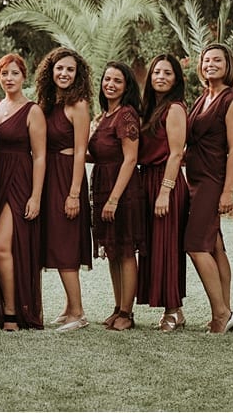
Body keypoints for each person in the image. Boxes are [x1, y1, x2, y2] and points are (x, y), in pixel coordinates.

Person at [0, 53, 46, 331]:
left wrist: (36, 196)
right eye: (4, 73)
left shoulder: (33, 111)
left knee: (0, 246)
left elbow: (40, 157)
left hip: (18, 181)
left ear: (24, 77)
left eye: (14, 73)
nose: (9, 78)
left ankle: (12, 311)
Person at [185, 42, 233, 334]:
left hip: (212, 180)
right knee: (215, 245)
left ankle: (221, 313)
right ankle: (225, 310)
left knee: (196, 245)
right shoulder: (203, 97)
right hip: (194, 178)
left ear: (227, 65)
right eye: (206, 60)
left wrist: (227, 190)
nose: (210, 64)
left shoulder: (231, 101)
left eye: (217, 60)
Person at [35, 47, 93, 332]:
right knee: (57, 242)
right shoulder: (47, 104)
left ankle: (78, 313)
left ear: (77, 74)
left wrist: (73, 194)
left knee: (66, 243)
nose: (64, 73)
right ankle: (69, 307)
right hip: (49, 177)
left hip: (68, 177)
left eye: (70, 69)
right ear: (51, 71)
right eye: (60, 68)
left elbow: (81, 151)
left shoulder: (78, 105)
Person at [88, 61, 144, 332]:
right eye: (107, 79)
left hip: (121, 189)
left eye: (117, 81)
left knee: (125, 251)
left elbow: (131, 158)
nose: (110, 84)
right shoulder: (103, 116)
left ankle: (127, 313)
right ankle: (117, 306)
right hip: (102, 184)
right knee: (112, 251)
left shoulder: (126, 115)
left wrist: (114, 199)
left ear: (126, 86)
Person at [136, 54, 189, 332]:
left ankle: (173, 309)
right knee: (153, 246)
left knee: (167, 245)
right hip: (146, 180)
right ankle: (172, 309)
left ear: (176, 79)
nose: (161, 77)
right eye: (157, 72)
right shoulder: (148, 108)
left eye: (168, 73)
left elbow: (176, 153)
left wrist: (165, 192)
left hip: (166, 182)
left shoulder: (175, 109)